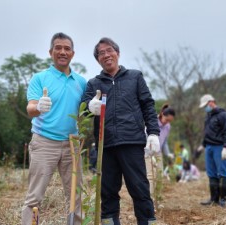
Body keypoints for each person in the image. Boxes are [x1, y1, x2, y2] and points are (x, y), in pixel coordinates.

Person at [82, 37, 159, 225]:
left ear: (118, 53)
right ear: (98, 59)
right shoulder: (93, 84)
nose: (106, 55)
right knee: (107, 192)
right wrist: (89, 107)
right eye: (101, 53)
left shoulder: (135, 77)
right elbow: (83, 111)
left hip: (131, 141)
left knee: (140, 189)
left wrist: (153, 133)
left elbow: (148, 105)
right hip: (105, 145)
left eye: (110, 50)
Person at [21, 32, 87, 225]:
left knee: (76, 195)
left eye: (67, 48)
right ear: (51, 52)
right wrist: (38, 107)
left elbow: (87, 111)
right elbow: (30, 108)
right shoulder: (40, 78)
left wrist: (93, 108)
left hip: (72, 144)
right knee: (34, 197)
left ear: (73, 54)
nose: (62, 52)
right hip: (44, 142)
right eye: (58, 48)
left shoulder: (81, 82)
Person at [199, 94, 226, 207]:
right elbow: (207, 132)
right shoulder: (208, 116)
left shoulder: (222, 115)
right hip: (208, 146)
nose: (205, 108)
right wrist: (202, 145)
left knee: (223, 172)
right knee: (211, 173)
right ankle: (214, 199)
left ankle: (224, 199)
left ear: (211, 102)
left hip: (219, 147)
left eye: (206, 105)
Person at [145, 104, 175, 199]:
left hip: (158, 152)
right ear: (162, 114)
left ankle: (157, 198)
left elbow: (164, 142)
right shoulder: (152, 122)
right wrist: (150, 153)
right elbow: (145, 138)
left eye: (170, 121)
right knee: (150, 176)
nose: (167, 123)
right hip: (148, 152)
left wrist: (168, 153)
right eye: (167, 120)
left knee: (159, 176)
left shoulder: (167, 126)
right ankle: (150, 199)